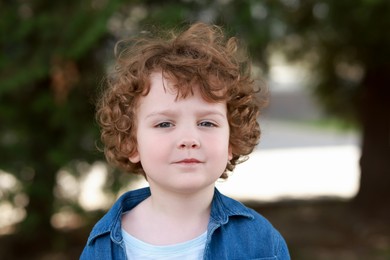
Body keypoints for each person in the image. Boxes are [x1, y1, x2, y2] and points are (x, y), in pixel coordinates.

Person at [81, 22, 290, 259]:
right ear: (131, 143)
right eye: (164, 124)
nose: (189, 139)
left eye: (207, 123)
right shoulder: (101, 247)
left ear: (231, 141)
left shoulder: (260, 241)